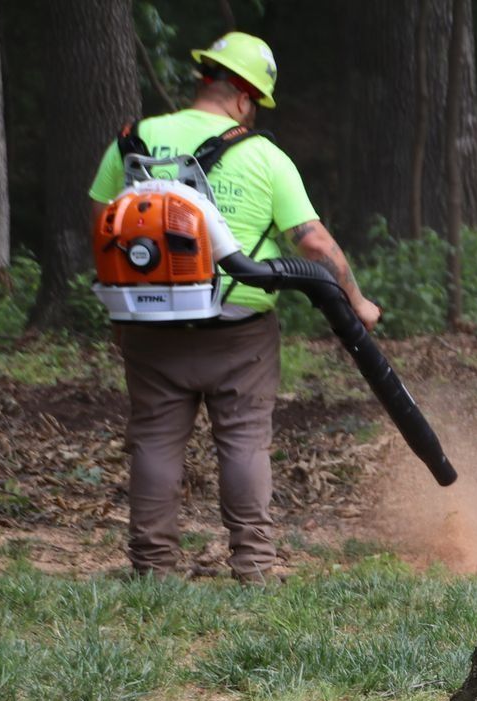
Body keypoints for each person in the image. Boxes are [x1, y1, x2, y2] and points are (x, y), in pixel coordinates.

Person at [88, 33, 382, 584]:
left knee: (154, 439)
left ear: (207, 81)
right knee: (244, 439)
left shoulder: (134, 139)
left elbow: (103, 226)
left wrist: (122, 309)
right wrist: (357, 302)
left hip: (151, 323)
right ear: (246, 99)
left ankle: (152, 566)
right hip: (239, 327)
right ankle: (254, 563)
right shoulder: (262, 155)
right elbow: (313, 242)